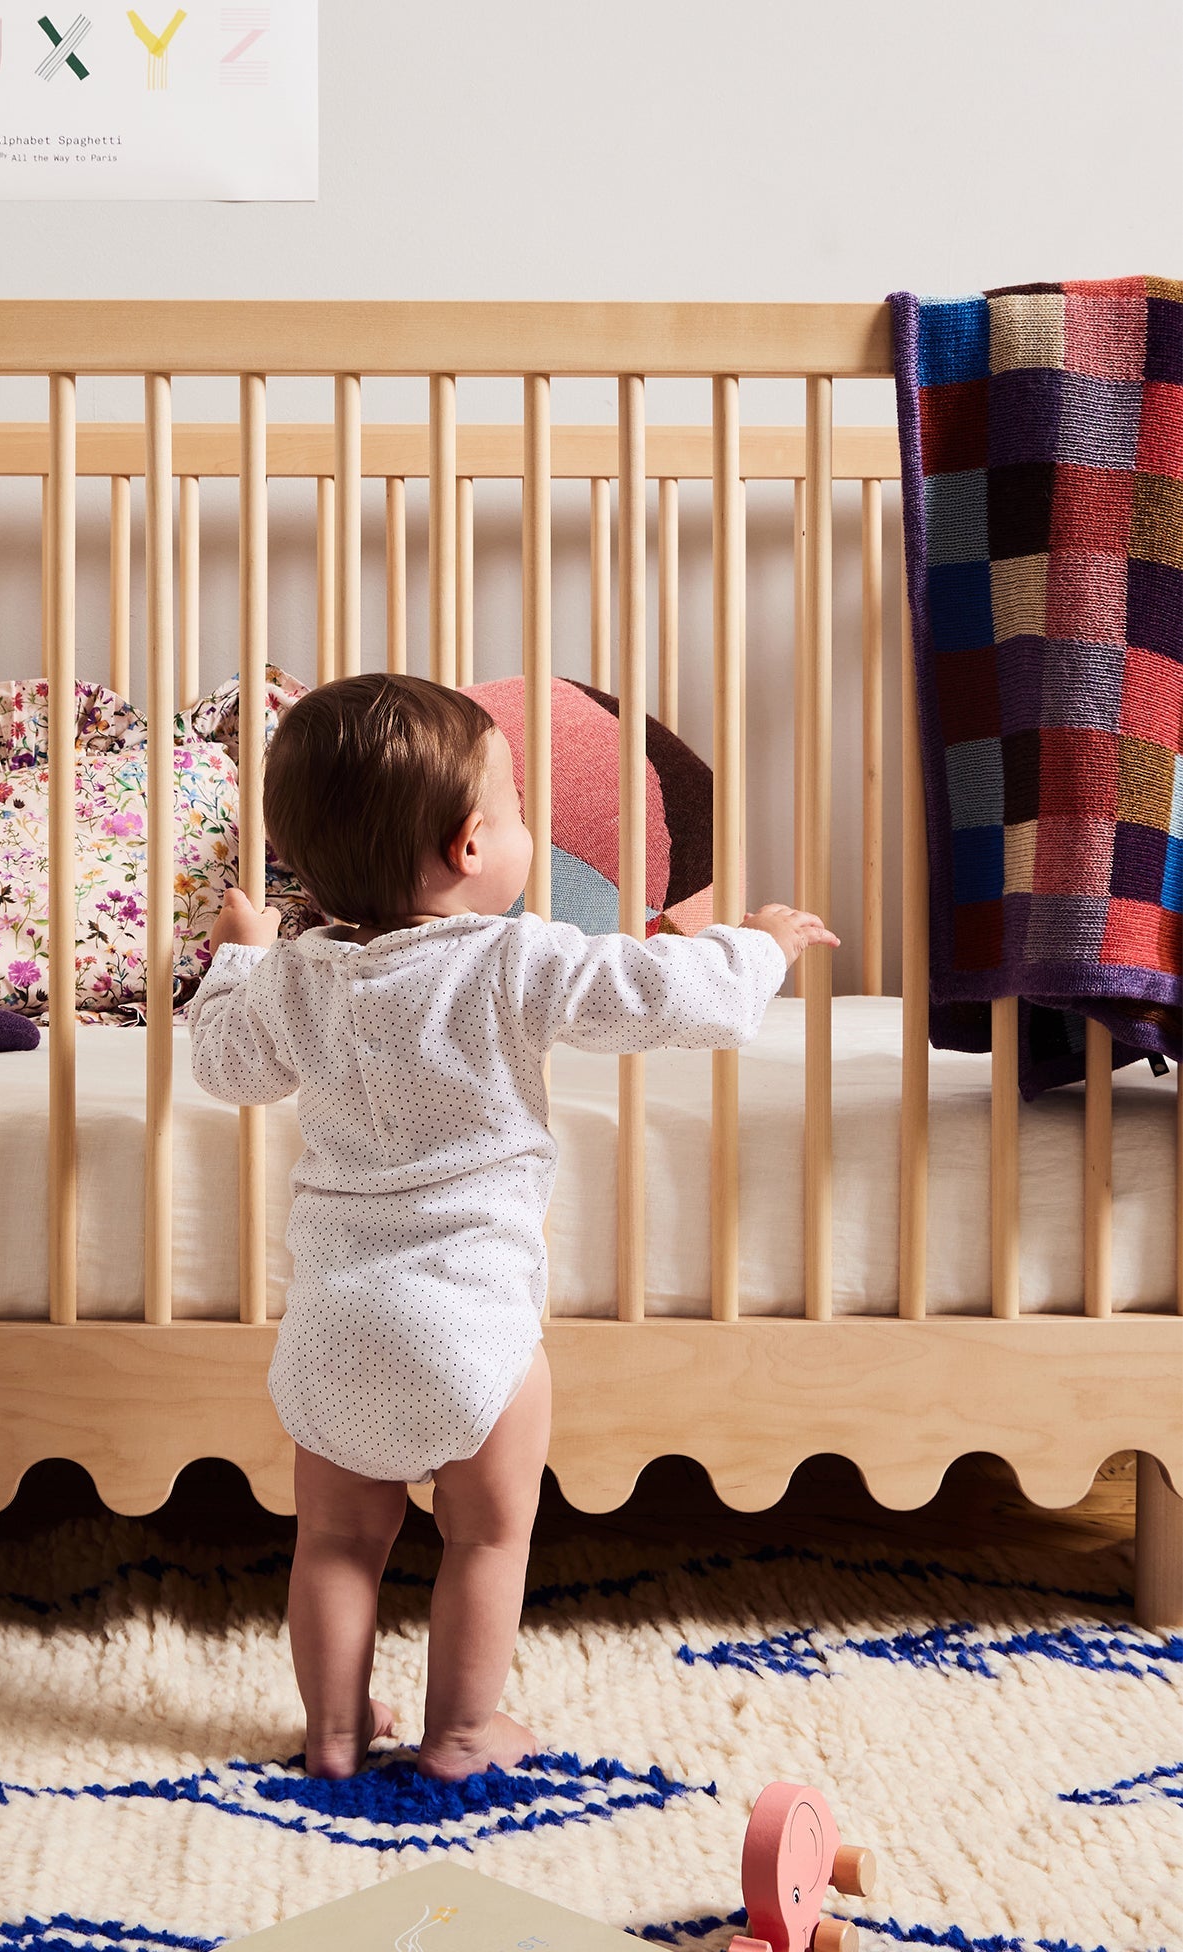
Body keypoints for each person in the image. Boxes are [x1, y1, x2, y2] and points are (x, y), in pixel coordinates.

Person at [188, 673, 837, 1781]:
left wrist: (240, 957)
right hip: (472, 1325)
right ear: (474, 842)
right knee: (486, 1536)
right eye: (521, 809)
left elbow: (223, 1063)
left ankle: (334, 1731)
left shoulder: (300, 976)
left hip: (335, 1325)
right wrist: (763, 945)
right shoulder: (514, 960)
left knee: (337, 1543)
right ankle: (460, 1731)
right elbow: (678, 993)